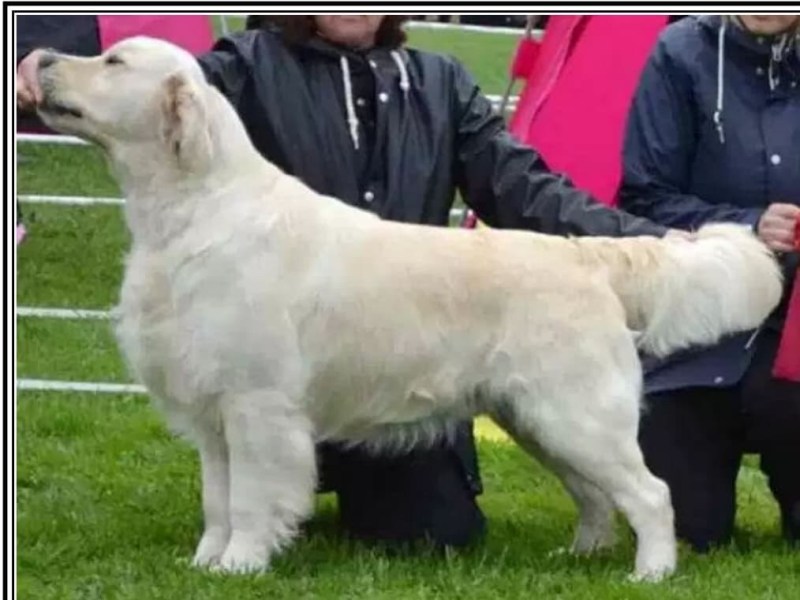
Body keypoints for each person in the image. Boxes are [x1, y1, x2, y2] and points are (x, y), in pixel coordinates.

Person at [18, 14, 675, 551]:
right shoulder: (243, 67)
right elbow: (146, 78)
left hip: (406, 381)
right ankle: (246, 528)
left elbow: (523, 189)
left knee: (433, 535)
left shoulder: (438, 80)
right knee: (240, 401)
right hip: (295, 384)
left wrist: (645, 247)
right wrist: (43, 60)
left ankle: (627, 523)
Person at [620, 14, 800, 552]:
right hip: (694, 340)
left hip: (792, 339)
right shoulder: (679, 51)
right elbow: (643, 198)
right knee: (687, 528)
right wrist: (748, 225)